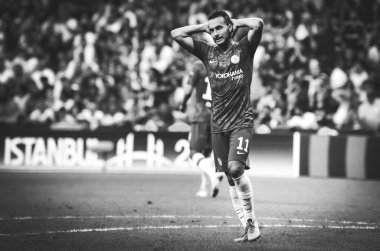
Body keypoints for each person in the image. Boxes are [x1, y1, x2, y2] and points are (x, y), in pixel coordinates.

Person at [171, 10, 263, 242]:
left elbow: (258, 24)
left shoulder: (244, 49)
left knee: (234, 168)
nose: (215, 33)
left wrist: (233, 22)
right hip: (217, 125)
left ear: (230, 28)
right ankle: (247, 226)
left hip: (241, 121)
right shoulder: (207, 52)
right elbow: (176, 34)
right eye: (212, 30)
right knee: (231, 178)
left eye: (219, 28)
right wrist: (203, 27)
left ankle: (252, 220)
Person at [180, 59, 223, 198]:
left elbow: (187, 90)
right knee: (205, 155)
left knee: (194, 153)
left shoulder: (198, 66)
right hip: (218, 116)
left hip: (202, 115)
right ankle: (204, 188)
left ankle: (214, 176)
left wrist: (182, 104)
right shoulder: (222, 65)